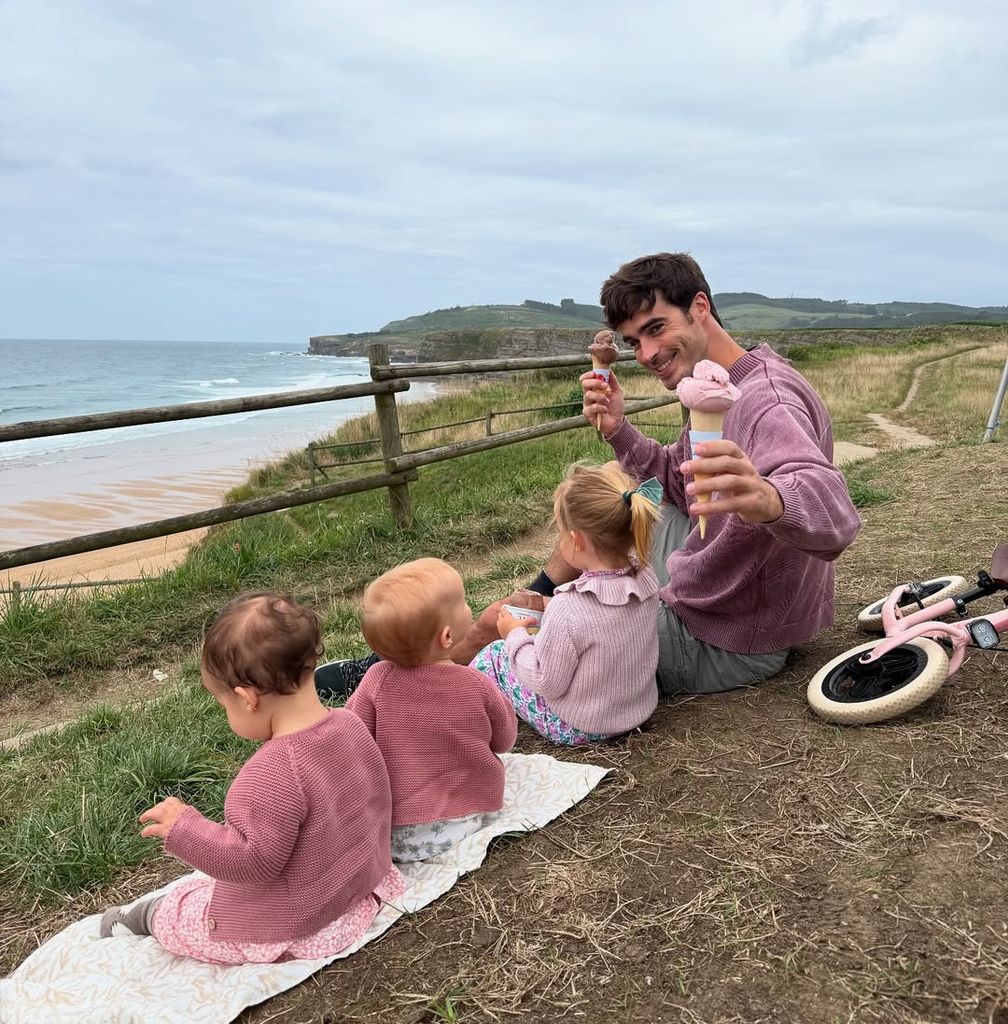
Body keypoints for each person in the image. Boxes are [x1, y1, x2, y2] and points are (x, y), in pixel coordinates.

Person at [458, 252, 862, 696]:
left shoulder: (767, 401)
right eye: (633, 341)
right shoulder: (717, 382)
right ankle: (544, 587)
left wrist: (769, 499)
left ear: (700, 309)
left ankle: (431, 672)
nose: (647, 354)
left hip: (726, 633)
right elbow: (676, 480)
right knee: (607, 494)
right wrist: (618, 429)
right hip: (740, 590)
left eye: (656, 328)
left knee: (504, 620)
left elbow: (835, 515)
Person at [98, 592, 404, 964]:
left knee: (184, 911)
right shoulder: (350, 723)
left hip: (299, 925)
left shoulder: (272, 772)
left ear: (246, 698)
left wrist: (185, 829)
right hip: (356, 895)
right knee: (205, 888)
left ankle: (144, 916)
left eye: (222, 702)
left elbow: (251, 862)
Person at [470, 462, 662, 745]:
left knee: (493, 657)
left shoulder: (569, 607)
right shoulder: (646, 578)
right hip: (634, 712)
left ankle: (458, 715)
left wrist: (513, 635)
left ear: (576, 540)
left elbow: (545, 680)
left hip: (578, 727)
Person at [345, 558, 518, 862]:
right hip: (465, 820)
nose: (469, 607)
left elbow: (352, 737)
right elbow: (504, 739)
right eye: (463, 602)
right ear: (447, 636)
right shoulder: (474, 683)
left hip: (395, 834)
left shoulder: (376, 680)